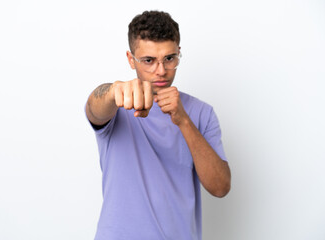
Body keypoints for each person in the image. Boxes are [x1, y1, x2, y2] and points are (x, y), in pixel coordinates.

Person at [85, 10, 231, 240]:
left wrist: (182, 120)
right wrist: (114, 91)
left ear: (178, 53)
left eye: (169, 59)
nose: (161, 71)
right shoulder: (116, 105)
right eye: (149, 61)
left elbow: (220, 187)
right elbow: (93, 108)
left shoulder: (202, 112)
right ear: (131, 59)